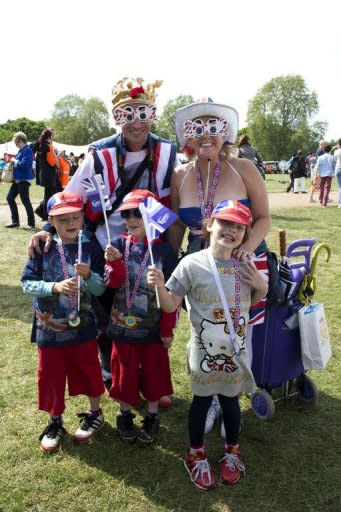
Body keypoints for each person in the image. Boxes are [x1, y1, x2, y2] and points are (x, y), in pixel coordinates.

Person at [28, 77, 177, 400]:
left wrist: (172, 248)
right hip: (106, 245)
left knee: (149, 308)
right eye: (127, 114)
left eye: (143, 113)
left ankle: (150, 380)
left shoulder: (167, 153)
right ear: (116, 117)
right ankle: (114, 375)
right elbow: (72, 196)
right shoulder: (99, 153)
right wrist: (48, 229)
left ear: (153, 114)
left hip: (147, 245)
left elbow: (173, 201)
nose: (136, 123)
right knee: (108, 312)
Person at [147, 200, 268, 490]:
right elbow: (169, 305)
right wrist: (160, 285)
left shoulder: (246, 264)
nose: (232, 231)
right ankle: (195, 453)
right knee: (201, 402)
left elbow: (250, 304)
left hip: (236, 352)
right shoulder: (192, 264)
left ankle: (232, 451)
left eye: (239, 227)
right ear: (210, 225)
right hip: (204, 353)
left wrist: (262, 286)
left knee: (231, 401)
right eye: (225, 223)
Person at [171, 97, 271, 433]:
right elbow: (175, 226)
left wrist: (246, 247)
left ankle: (233, 403)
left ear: (225, 132)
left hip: (243, 263)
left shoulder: (243, 168)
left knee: (240, 333)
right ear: (188, 135)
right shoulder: (180, 175)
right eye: (197, 128)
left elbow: (264, 218)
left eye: (213, 126)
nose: (206, 135)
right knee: (206, 333)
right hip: (199, 267)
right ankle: (211, 400)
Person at [21, 191, 106, 452]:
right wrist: (54, 286)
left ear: (82, 218)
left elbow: (101, 289)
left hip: (84, 328)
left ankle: (95, 414)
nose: (70, 223)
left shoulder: (91, 246)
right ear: (51, 221)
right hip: (51, 329)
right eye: (63, 219)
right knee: (51, 376)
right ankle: (55, 420)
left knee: (89, 369)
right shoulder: (42, 247)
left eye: (75, 217)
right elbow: (26, 284)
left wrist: (90, 275)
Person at [104, 189, 177, 446]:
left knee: (154, 370)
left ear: (152, 215)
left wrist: (167, 328)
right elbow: (112, 283)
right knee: (124, 370)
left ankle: (153, 415)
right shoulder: (116, 243)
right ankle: (124, 414)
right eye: (127, 214)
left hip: (153, 327)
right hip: (123, 324)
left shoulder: (165, 251)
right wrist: (114, 265)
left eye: (138, 213)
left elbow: (172, 294)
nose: (132, 219)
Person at [5, 131, 35, 230]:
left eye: (16, 143)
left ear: (21, 140)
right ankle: (15, 222)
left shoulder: (27, 150)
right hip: (18, 180)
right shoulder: (21, 150)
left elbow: (25, 165)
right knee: (9, 198)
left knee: (25, 201)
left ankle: (31, 224)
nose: (16, 145)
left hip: (24, 180)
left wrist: (15, 161)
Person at [35, 128, 61, 221]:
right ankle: (45, 214)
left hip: (44, 174)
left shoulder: (41, 145)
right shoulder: (48, 145)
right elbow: (52, 161)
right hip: (49, 174)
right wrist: (57, 159)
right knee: (51, 194)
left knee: (48, 194)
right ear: (50, 136)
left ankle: (43, 214)